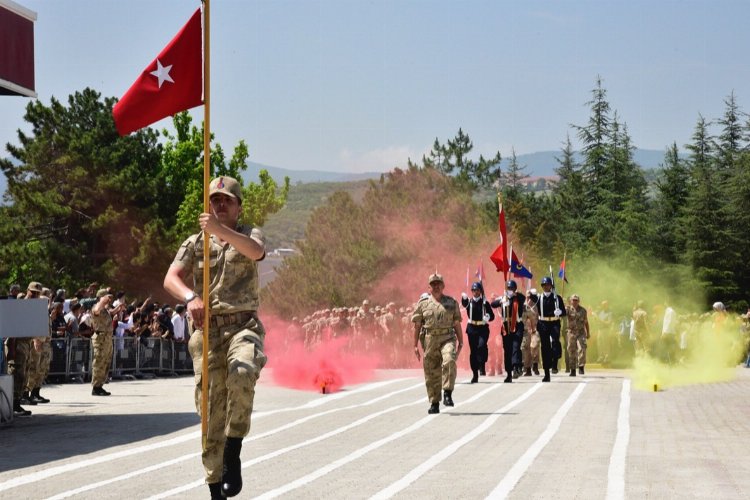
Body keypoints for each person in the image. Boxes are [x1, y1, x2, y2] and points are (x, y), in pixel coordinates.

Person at [163, 175, 267, 499]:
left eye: (227, 201)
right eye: (215, 200)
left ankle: (233, 448)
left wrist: (220, 231)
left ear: (239, 207)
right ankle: (214, 488)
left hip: (242, 327)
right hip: (208, 333)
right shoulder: (195, 243)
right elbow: (171, 278)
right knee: (210, 412)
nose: (220, 205)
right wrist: (190, 297)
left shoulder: (249, 234)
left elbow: (256, 251)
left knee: (243, 371)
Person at [412, 273, 463, 414]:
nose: (436, 286)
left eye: (438, 284)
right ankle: (434, 402)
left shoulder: (451, 303)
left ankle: (447, 392)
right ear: (429, 287)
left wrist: (461, 342)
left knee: (449, 360)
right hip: (429, 340)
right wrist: (415, 345)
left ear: (443, 286)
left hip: (447, 337)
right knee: (431, 371)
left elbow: (457, 323)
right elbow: (417, 325)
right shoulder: (423, 304)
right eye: (433, 284)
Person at [490, 280, 525, 382]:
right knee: (507, 350)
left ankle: (515, 367)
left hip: (517, 326)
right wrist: (501, 301)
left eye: (512, 289)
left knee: (515, 346)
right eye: (508, 289)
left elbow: (523, 298)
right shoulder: (503, 298)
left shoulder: (518, 298)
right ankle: (509, 373)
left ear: (515, 289)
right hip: (506, 327)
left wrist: (514, 295)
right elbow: (493, 304)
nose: (510, 290)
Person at [460, 282, 494, 383]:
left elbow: (492, 316)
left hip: (482, 328)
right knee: (473, 351)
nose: (475, 292)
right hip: (472, 328)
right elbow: (464, 304)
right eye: (473, 290)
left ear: (480, 291)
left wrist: (488, 316)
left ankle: (482, 364)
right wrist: (464, 298)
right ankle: (475, 374)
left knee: (481, 346)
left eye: (477, 290)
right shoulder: (469, 302)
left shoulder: (485, 303)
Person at [536, 276, 566, 381]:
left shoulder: (557, 298)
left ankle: (554, 363)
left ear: (551, 286)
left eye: (547, 285)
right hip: (543, 323)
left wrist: (560, 312)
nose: (545, 287)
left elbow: (564, 312)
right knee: (545, 348)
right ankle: (546, 373)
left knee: (555, 342)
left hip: (554, 323)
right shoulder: (539, 298)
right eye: (544, 285)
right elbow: (527, 301)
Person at [90, 289, 116, 396]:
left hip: (107, 339)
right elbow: (96, 311)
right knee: (99, 362)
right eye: (106, 297)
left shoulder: (104, 310)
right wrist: (102, 301)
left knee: (106, 362)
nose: (108, 299)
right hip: (100, 339)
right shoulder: (97, 307)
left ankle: (100, 385)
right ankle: (96, 387)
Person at [565, 294, 590, 376]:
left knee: (582, 348)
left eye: (576, 300)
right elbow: (561, 314)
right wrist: (559, 307)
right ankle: (572, 369)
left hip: (581, 332)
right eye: (573, 300)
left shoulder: (583, 310)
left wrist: (588, 332)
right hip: (571, 332)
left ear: (579, 301)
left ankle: (581, 366)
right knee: (571, 350)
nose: (575, 302)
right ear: (570, 301)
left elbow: (586, 322)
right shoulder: (568, 309)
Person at [521, 289, 541, 376]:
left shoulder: (537, 305)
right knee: (526, 349)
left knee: (534, 346)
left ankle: (535, 365)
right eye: (527, 297)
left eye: (530, 297)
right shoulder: (523, 306)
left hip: (535, 329)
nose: (529, 298)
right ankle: (528, 368)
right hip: (526, 330)